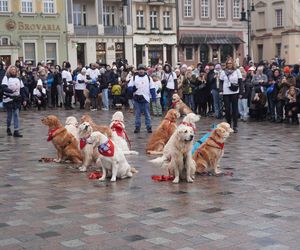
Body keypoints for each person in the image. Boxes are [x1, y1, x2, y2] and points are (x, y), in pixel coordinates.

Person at [128, 64, 156, 133]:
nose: (141, 71)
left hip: (146, 98)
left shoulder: (148, 78)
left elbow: (152, 88)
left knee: (147, 114)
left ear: (145, 70)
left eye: (142, 69)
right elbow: (129, 86)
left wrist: (154, 97)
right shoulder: (134, 78)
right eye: (140, 69)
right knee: (137, 114)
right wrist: (131, 89)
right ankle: (137, 127)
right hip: (137, 98)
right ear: (138, 70)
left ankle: (149, 127)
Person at [1, 65, 26, 137]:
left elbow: (22, 89)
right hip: (8, 99)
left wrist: (24, 99)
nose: (13, 70)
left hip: (16, 99)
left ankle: (16, 130)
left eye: (14, 69)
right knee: (9, 115)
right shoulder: (6, 78)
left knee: (16, 114)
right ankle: (8, 128)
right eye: (11, 69)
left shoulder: (19, 79)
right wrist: (10, 91)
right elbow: (3, 87)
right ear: (9, 70)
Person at [219, 58, 242, 133]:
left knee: (235, 109)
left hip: (235, 91)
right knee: (227, 110)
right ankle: (228, 125)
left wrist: (241, 92)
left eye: (230, 63)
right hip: (226, 92)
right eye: (228, 63)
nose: (229, 65)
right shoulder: (223, 72)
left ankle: (235, 126)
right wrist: (220, 90)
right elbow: (221, 82)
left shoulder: (237, 71)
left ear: (233, 64)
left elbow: (240, 82)